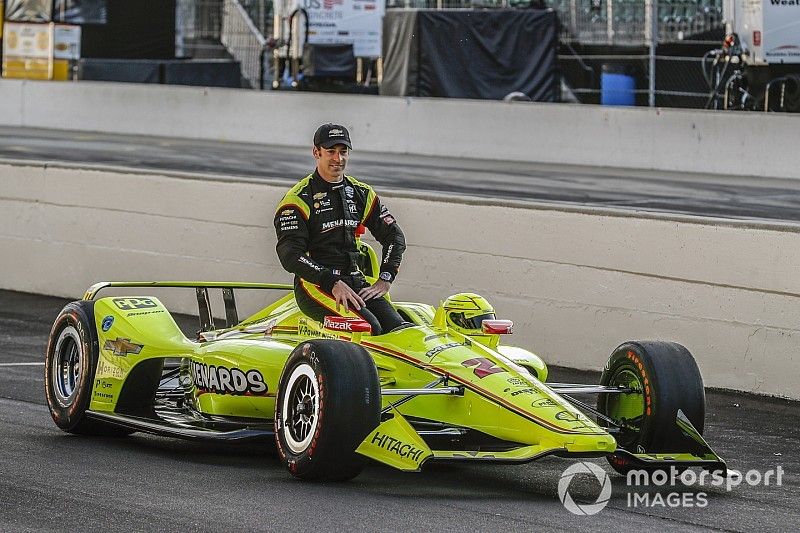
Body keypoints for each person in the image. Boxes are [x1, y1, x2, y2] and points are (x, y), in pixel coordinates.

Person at [274, 123, 407, 335]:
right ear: (316, 153)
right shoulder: (297, 199)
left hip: (355, 280)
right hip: (315, 284)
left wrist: (385, 278)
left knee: (399, 330)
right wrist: (331, 282)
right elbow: (290, 255)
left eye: (343, 152)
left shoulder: (361, 193)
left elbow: (395, 237)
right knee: (368, 329)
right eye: (331, 152)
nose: (338, 159)